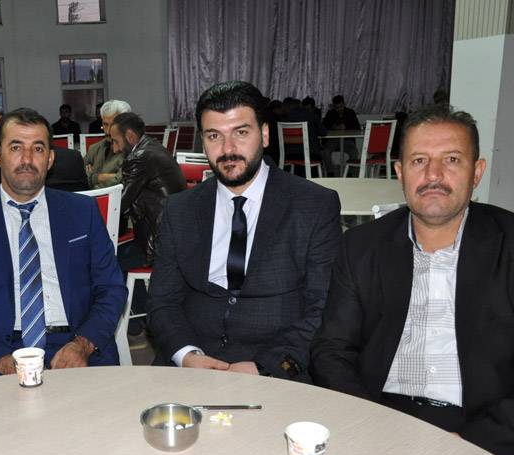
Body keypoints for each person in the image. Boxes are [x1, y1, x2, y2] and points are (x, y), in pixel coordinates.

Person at [310, 104, 514, 455]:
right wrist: (370, 424)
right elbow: (332, 350)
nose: (433, 175)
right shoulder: (361, 246)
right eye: (419, 161)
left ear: (477, 172)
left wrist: (477, 442)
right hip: (380, 415)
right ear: (400, 173)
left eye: (451, 160)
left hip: (486, 427)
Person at [147, 81, 341, 379]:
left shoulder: (313, 205)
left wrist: (265, 367)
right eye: (214, 136)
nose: (228, 150)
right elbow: (162, 301)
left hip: (273, 366)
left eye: (241, 132)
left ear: (265, 134)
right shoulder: (180, 209)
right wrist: (186, 355)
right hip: (191, 364)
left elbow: (323, 308)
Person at [0, 108, 126, 375]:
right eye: (16, 147)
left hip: (78, 345)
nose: (27, 159)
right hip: (4, 351)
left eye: (38, 149)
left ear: (50, 159)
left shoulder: (82, 211)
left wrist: (83, 345)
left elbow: (111, 288)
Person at [110, 112, 185, 266]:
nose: (115, 149)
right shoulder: (153, 146)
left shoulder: (138, 157)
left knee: (103, 263)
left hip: (158, 245)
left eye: (116, 141)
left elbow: (119, 206)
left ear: (130, 136)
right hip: (174, 235)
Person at [84, 99, 130, 189]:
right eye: (105, 124)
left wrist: (93, 177)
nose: (108, 131)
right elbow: (79, 176)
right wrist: (106, 177)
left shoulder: (134, 151)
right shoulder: (94, 148)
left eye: (113, 125)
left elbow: (125, 180)